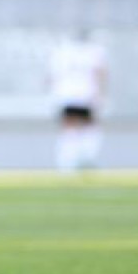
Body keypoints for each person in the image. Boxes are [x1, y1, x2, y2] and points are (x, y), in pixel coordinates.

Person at [47, 30, 107, 173]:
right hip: (86, 94)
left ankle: (67, 164)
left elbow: (51, 76)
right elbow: (100, 73)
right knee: (89, 127)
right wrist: (101, 94)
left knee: (70, 127)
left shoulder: (61, 51)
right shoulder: (94, 51)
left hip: (67, 95)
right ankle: (86, 159)